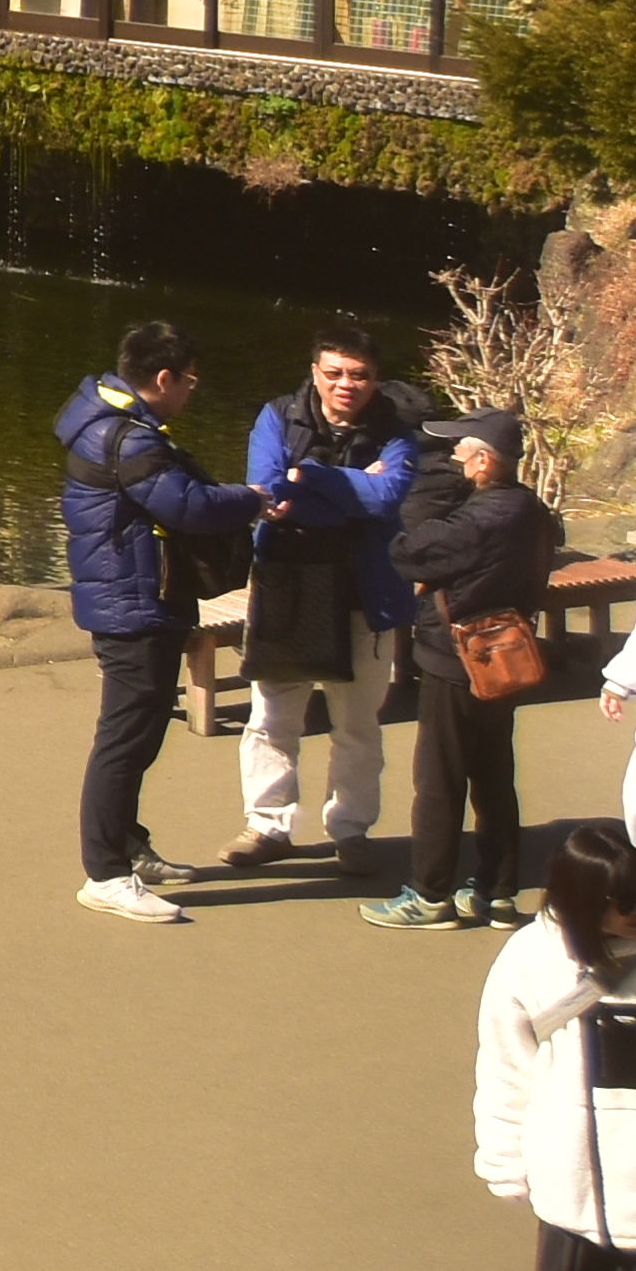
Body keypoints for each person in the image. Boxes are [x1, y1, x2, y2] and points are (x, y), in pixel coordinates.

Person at [57, 319, 264, 924]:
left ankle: (126, 845)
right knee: (122, 741)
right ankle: (105, 873)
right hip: (132, 605)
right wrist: (253, 497)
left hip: (141, 599)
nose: (192, 393)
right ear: (164, 378)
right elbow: (191, 507)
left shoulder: (114, 423)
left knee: (142, 733)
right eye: (190, 382)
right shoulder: (129, 440)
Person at [229, 316, 422, 874]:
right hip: (288, 585)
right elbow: (268, 493)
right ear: (314, 372)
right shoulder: (276, 416)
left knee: (357, 724)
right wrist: (348, 491)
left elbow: (386, 499)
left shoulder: (397, 433)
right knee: (271, 716)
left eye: (359, 375)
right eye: (334, 372)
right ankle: (268, 826)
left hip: (365, 594)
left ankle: (352, 829)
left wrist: (307, 475)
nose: (346, 384)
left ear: (376, 379)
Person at [391, 408, 569, 931]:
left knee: (439, 778)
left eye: (460, 451)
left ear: (485, 460)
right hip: (506, 655)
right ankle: (497, 892)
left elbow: (406, 552)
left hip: (456, 660)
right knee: (494, 776)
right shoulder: (533, 510)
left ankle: (429, 894)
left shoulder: (476, 518)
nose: (452, 458)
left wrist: (430, 502)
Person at [478, 819, 636, 1271]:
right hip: (570, 1213)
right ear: (584, 902)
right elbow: (506, 1066)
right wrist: (506, 1163)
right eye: (624, 901)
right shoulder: (530, 959)